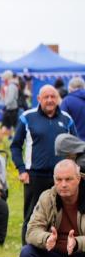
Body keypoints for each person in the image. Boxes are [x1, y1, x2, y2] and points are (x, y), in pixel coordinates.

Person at [11, 84, 76, 244]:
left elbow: (75, 148)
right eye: (46, 97)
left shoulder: (66, 119)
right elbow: (15, 146)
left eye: (53, 96)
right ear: (39, 99)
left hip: (61, 178)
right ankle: (26, 252)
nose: (49, 100)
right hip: (35, 176)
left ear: (58, 99)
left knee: (64, 214)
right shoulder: (27, 117)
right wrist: (21, 170)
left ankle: (59, 248)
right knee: (32, 215)